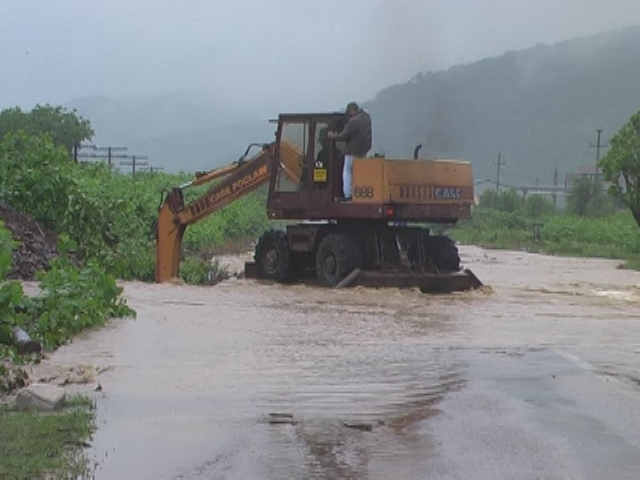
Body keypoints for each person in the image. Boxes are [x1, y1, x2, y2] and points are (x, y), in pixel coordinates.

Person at [328, 102, 372, 200]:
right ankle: (359, 194)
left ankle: (348, 195)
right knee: (360, 174)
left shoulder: (353, 121)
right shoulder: (367, 118)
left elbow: (344, 135)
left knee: (347, 172)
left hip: (352, 153)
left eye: (349, 112)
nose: (349, 115)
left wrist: (333, 136)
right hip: (363, 152)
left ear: (352, 110)